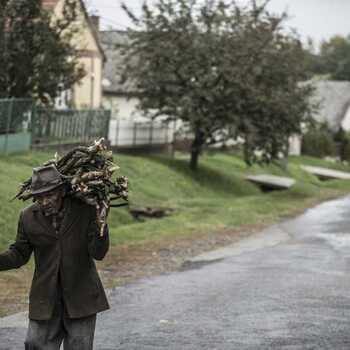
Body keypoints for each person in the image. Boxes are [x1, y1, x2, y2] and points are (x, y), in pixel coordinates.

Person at [0, 165, 110, 349]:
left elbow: (98, 253)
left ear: (61, 192)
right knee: (34, 343)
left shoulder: (85, 210)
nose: (43, 202)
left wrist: (101, 226)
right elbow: (19, 254)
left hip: (81, 295)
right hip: (46, 297)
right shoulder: (27, 217)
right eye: (39, 197)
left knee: (79, 346)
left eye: (49, 195)